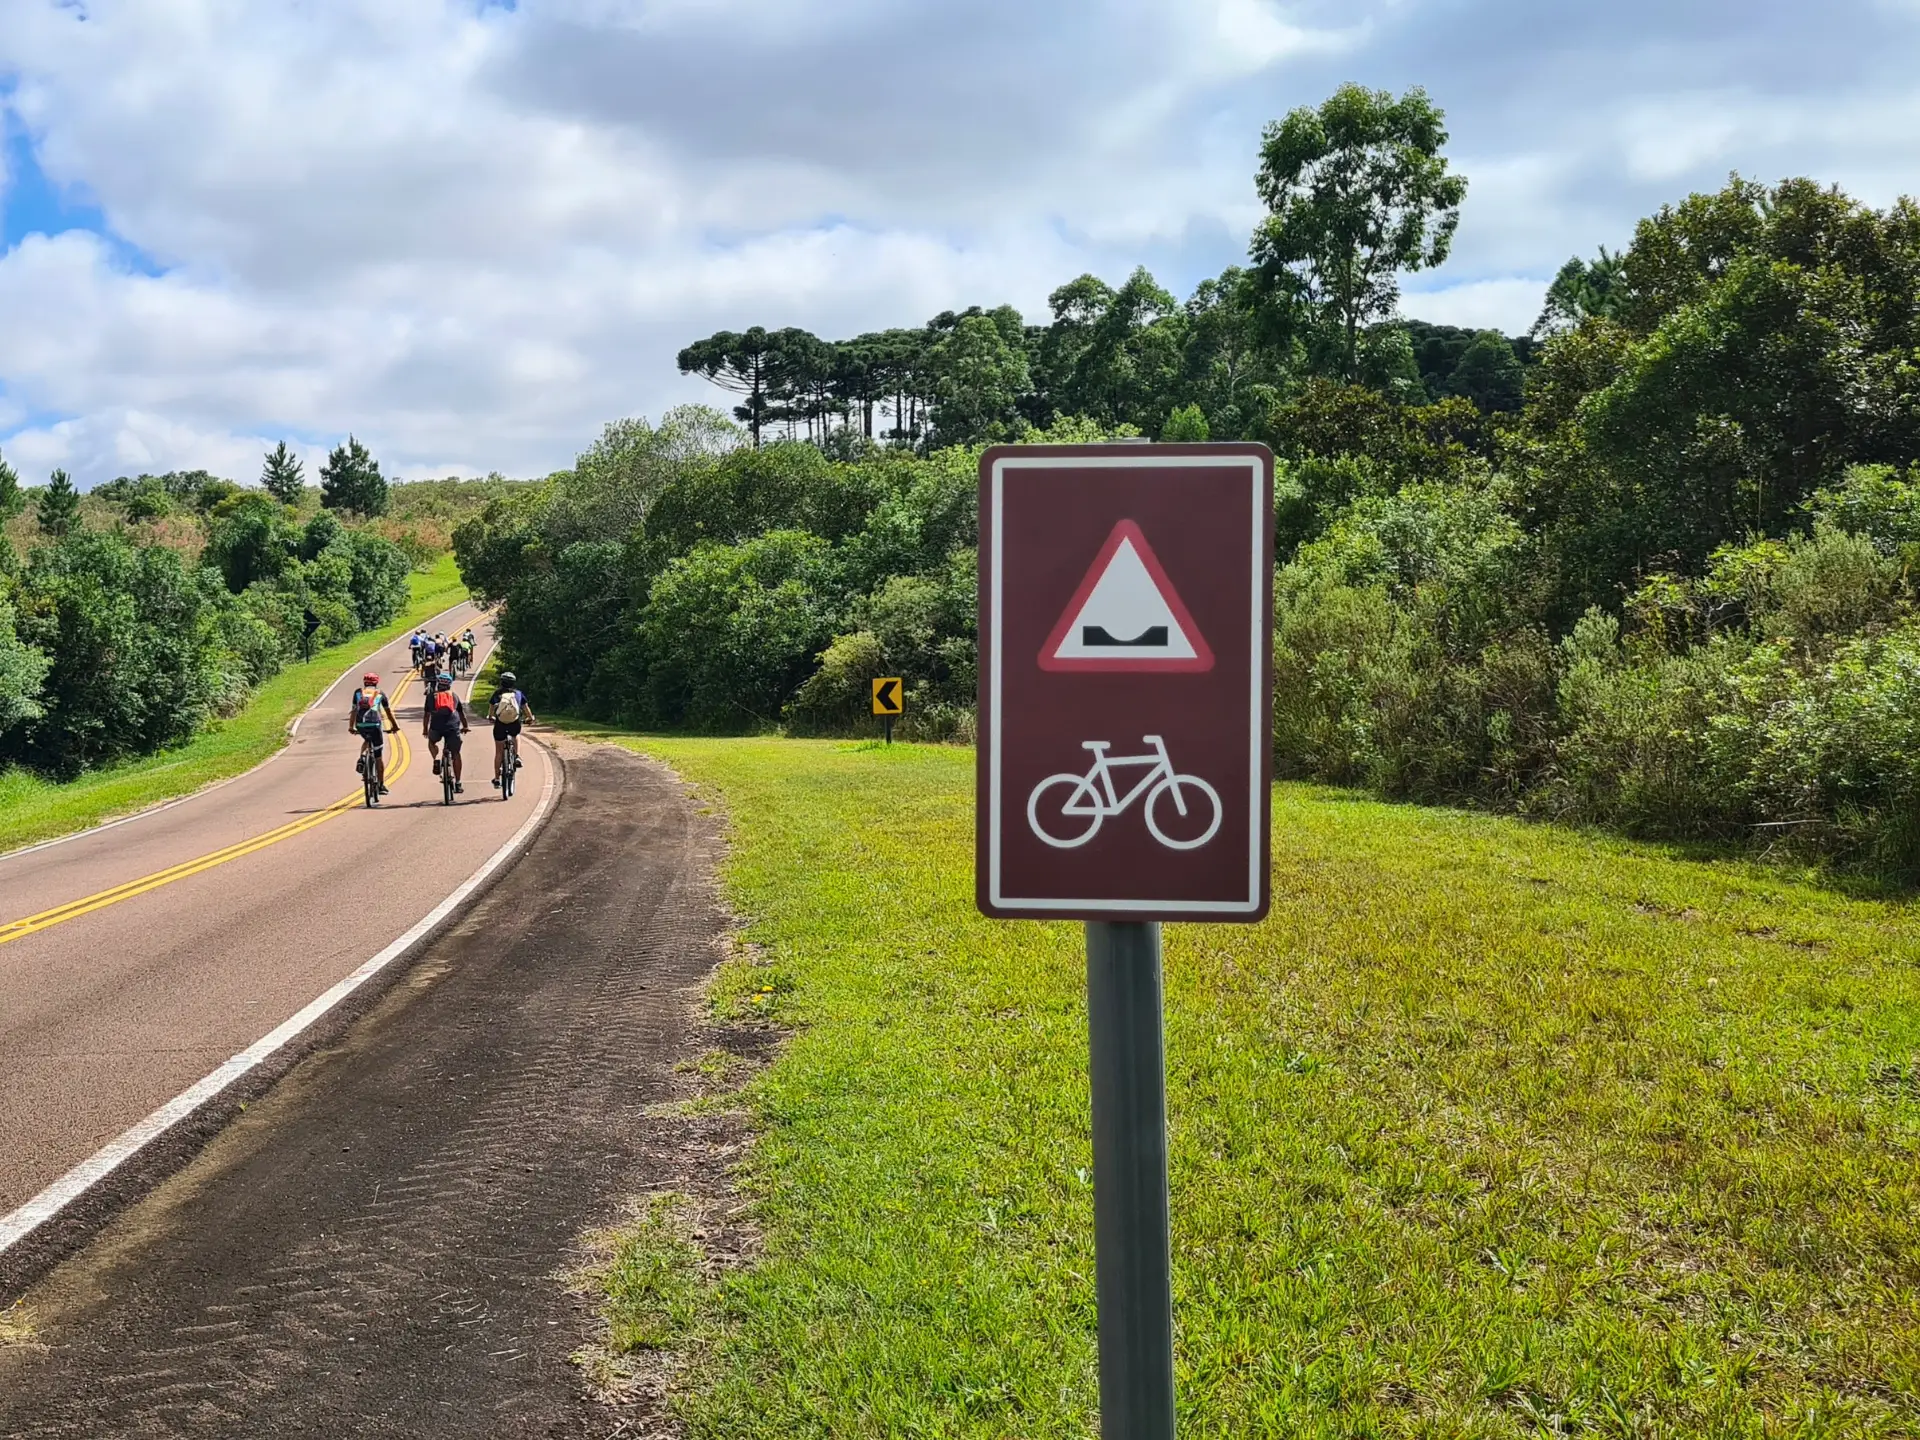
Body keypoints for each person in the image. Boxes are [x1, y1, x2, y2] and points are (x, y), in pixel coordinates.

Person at [348, 672, 401, 799]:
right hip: (375, 724)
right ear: (376, 682)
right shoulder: (380, 693)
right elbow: (388, 713)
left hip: (361, 725)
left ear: (364, 682)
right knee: (378, 756)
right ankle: (381, 785)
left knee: (367, 739)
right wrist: (395, 726)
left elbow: (354, 710)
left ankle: (361, 758)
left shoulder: (357, 692)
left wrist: (351, 726)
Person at [423, 669, 470, 792]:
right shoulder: (454, 696)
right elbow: (461, 714)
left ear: (438, 683)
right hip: (452, 727)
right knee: (456, 754)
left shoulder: (431, 697)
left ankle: (436, 758)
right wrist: (465, 726)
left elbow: (427, 715)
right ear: (449, 684)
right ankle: (458, 783)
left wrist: (425, 730)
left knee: (432, 742)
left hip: (436, 726)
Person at [488, 671, 535, 789]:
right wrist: (530, 718)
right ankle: (517, 756)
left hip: (500, 724)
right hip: (514, 723)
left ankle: (497, 778)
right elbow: (525, 708)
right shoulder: (518, 694)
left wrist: (491, 718)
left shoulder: (497, 694)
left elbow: (491, 711)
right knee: (516, 735)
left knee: (499, 751)